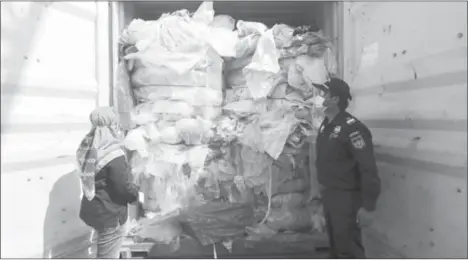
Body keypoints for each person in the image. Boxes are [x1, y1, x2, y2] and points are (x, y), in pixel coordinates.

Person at [312, 77, 381, 258]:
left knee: (348, 250)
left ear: (335, 99)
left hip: (347, 199)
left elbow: (368, 168)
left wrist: (368, 205)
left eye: (323, 93)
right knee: (335, 248)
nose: (318, 97)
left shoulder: (353, 129)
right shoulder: (326, 125)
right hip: (331, 196)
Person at [76, 107, 140, 258]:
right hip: (110, 214)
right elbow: (123, 188)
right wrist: (136, 194)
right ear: (112, 125)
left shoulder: (86, 146)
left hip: (94, 208)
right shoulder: (113, 154)